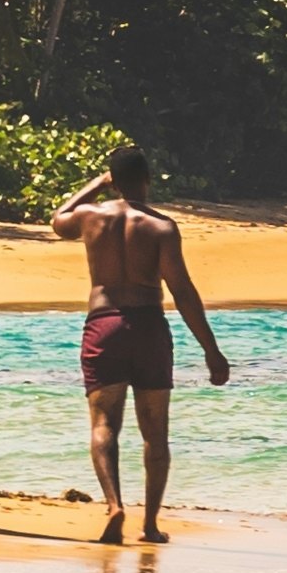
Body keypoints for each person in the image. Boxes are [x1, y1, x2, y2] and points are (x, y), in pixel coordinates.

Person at [50, 148, 229, 543]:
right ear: (148, 178)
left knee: (103, 425)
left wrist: (96, 184)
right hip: (149, 328)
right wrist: (210, 349)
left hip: (104, 324)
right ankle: (149, 525)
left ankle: (114, 505)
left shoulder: (91, 216)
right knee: (155, 433)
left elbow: (56, 220)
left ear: (114, 179)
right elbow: (182, 291)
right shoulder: (162, 228)